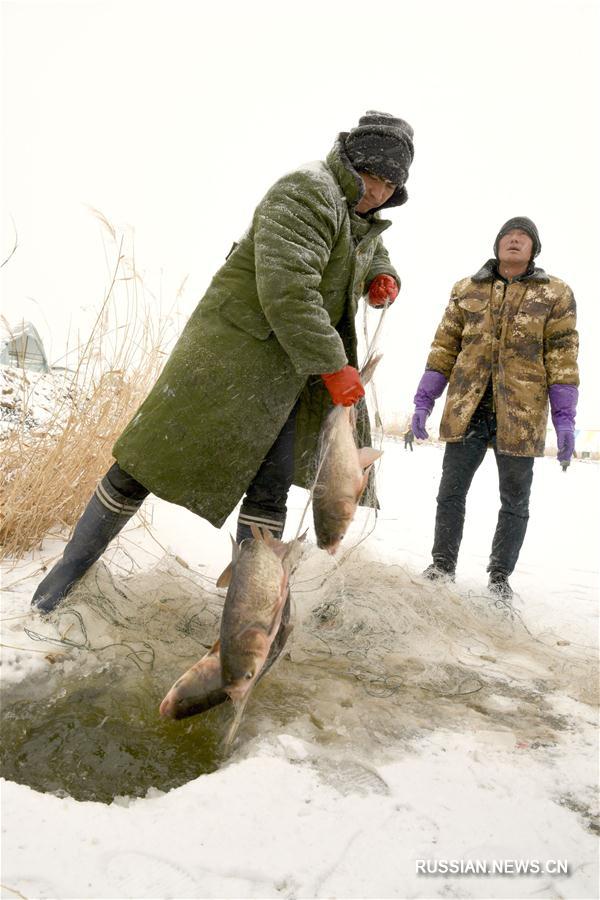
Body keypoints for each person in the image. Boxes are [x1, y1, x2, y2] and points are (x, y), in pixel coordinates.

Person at [32, 110, 415, 615]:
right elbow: (289, 291)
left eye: (392, 183)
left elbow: (369, 249)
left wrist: (381, 277)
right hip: (230, 359)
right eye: (374, 176)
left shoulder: (355, 212)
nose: (380, 190)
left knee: (270, 491)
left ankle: (247, 617)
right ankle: (63, 578)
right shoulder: (307, 191)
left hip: (285, 377)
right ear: (353, 161)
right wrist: (333, 364)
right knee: (144, 463)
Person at [411, 216, 579, 600]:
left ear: (534, 249)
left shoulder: (555, 294)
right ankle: (442, 565)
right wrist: (425, 400)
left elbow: (563, 357)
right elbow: (444, 347)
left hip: (521, 413)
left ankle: (500, 578)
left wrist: (564, 419)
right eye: (508, 236)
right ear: (497, 245)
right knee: (450, 492)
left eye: (523, 238)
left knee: (515, 501)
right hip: (468, 407)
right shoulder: (466, 289)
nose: (515, 241)